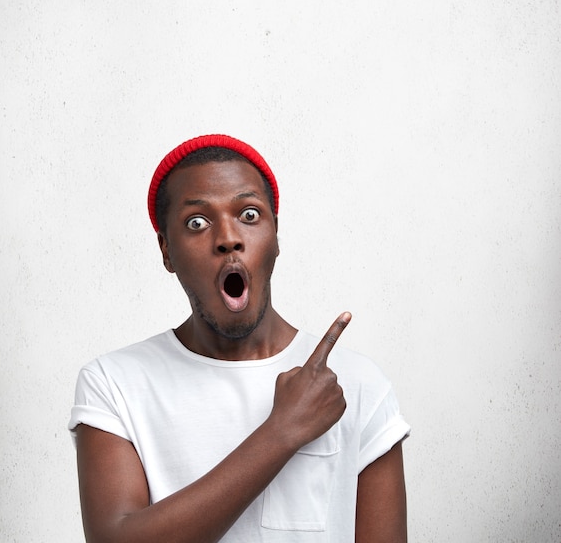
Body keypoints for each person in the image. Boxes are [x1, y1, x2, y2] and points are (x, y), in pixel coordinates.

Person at [69, 134, 410, 543]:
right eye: (197, 222)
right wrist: (283, 431)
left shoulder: (357, 383)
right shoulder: (114, 385)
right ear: (166, 251)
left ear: (276, 236)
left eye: (249, 215)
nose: (228, 238)